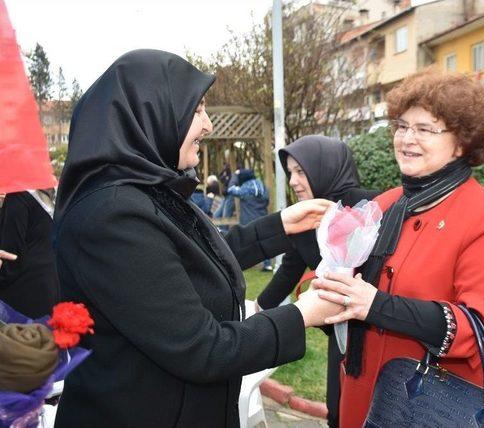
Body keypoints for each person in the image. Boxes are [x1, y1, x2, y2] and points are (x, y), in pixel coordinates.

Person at [51, 49, 342, 428]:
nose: (207, 124)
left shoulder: (148, 192)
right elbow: (201, 348)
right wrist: (300, 315)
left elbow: (195, 265)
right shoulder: (111, 215)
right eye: (197, 109)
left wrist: (280, 225)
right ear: (151, 113)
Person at [312, 69, 484, 427]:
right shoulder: (384, 204)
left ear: (462, 143)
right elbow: (336, 273)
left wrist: (378, 306)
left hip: (438, 407)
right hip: (364, 398)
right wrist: (323, 284)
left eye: (424, 129)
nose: (406, 138)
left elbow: (483, 327)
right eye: (401, 126)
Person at [255, 135, 380, 427]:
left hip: (380, 330)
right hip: (338, 333)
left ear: (324, 168)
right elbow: (289, 270)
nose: (294, 181)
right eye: (290, 173)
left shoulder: (372, 205)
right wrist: (257, 312)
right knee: (338, 412)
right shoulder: (308, 218)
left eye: (301, 171)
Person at [0, 189, 59, 318]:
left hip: (20, 291)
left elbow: (11, 254)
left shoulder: (17, 196)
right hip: (47, 285)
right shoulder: (46, 198)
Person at [227, 168, 272, 271]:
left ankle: (241, 264)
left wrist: (234, 175)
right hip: (262, 217)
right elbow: (267, 200)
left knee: (244, 242)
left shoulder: (246, 187)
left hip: (248, 221)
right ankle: (268, 265)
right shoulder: (261, 185)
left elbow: (231, 189)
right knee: (264, 241)